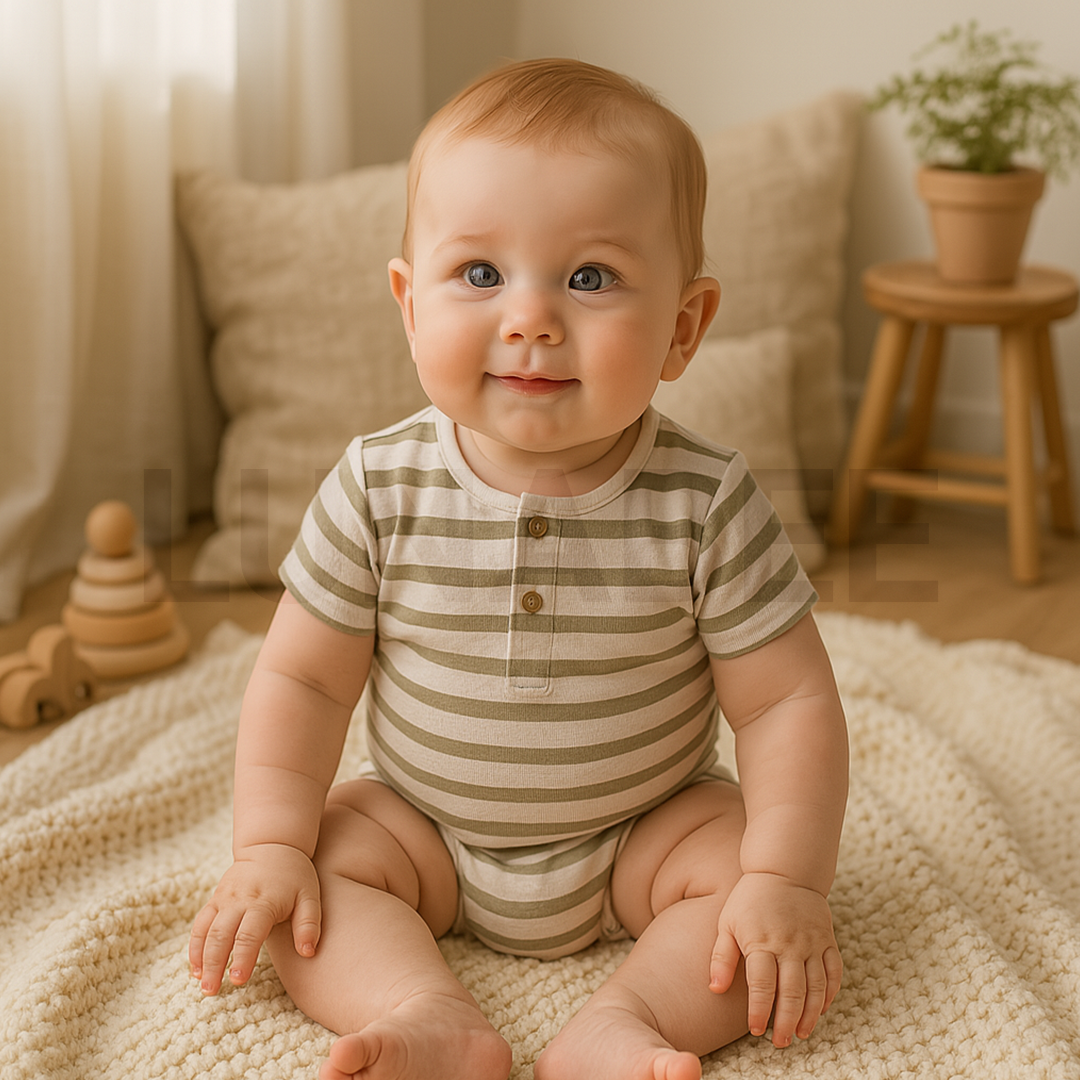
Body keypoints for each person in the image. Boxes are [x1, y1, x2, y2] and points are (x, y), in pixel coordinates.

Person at [188, 57, 849, 1080]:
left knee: (742, 884)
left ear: (683, 327)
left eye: (589, 277)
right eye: (481, 274)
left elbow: (786, 703)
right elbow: (304, 679)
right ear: (411, 306)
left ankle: (624, 1020)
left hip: (645, 833)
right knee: (305, 889)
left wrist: (786, 877)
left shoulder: (706, 499)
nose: (531, 317)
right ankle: (428, 1013)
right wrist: (269, 843)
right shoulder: (376, 485)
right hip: (427, 834)